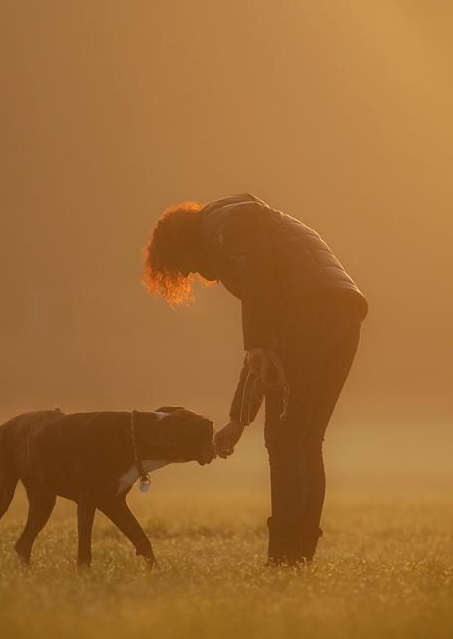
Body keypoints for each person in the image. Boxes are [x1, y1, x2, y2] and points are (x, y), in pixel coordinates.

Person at [143, 193, 367, 565]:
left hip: (309, 316)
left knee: (284, 441)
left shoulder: (228, 221)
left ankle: (283, 558)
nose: (186, 275)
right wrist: (238, 418)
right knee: (307, 440)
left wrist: (255, 344)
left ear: (184, 241)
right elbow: (270, 345)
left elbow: (263, 311)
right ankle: (301, 557)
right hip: (343, 318)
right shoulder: (242, 225)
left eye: (180, 265)